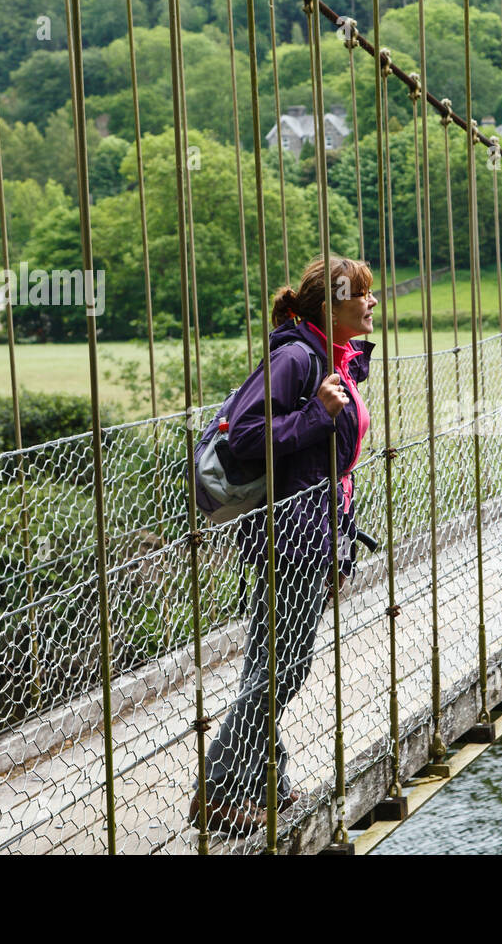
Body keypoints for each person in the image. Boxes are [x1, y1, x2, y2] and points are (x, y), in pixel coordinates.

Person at [189, 255, 376, 836]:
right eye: (362, 295)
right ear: (332, 305)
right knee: (281, 670)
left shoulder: (333, 360)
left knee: (274, 666)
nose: (372, 304)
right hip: (286, 537)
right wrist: (317, 416)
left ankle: (262, 780)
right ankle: (220, 786)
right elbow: (244, 436)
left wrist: (339, 547)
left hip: (312, 534)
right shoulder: (297, 358)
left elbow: (330, 472)